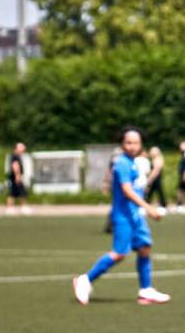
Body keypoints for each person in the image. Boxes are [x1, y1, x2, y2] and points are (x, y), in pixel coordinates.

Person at [72, 127, 170, 309]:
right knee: (119, 253)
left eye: (136, 142)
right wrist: (149, 208)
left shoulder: (133, 162)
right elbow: (127, 191)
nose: (132, 146)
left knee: (145, 248)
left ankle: (146, 289)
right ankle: (85, 279)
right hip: (123, 216)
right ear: (122, 144)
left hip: (134, 215)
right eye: (128, 142)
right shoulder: (122, 163)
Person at [4, 142, 29, 215]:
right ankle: (23, 208)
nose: (24, 148)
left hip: (14, 176)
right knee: (22, 192)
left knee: (13, 192)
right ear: (16, 148)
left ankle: (10, 208)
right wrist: (17, 175)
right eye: (21, 147)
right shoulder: (15, 156)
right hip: (15, 177)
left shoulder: (16, 155)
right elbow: (15, 165)